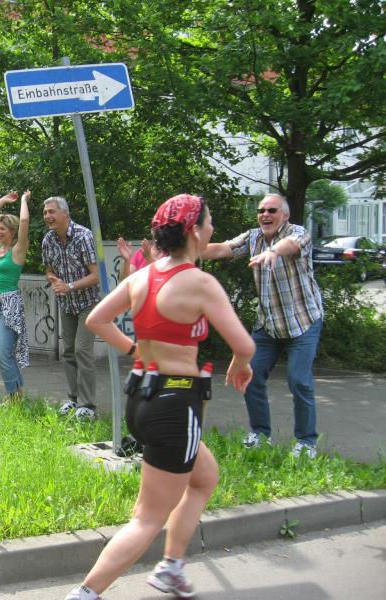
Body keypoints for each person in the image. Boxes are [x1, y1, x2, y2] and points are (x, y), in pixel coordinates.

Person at [65, 194, 255, 600]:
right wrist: (241, 363)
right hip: (176, 405)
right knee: (147, 518)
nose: (212, 229)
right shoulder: (200, 283)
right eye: (208, 223)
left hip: (142, 399)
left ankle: (171, 567)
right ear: (194, 231)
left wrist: (134, 350)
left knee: (204, 477)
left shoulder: (143, 276)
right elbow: (244, 344)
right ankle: (85, 594)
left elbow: (97, 319)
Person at [202, 193, 324, 458]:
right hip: (268, 324)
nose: (265, 215)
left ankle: (306, 442)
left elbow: (291, 245)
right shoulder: (253, 237)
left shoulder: (298, 233)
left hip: (303, 322)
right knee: (250, 375)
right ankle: (260, 434)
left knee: (299, 381)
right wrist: (184, 249)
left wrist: (272, 251)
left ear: (285, 215)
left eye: (271, 210)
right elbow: (222, 248)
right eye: (261, 210)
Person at [41, 196, 100, 419]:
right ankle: (74, 401)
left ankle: (88, 406)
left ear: (65, 213)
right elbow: (48, 270)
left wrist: (70, 286)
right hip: (66, 303)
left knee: (81, 349)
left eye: (51, 212)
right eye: (45, 213)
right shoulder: (48, 240)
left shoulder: (84, 236)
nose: (47, 216)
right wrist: (53, 279)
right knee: (68, 352)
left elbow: (97, 276)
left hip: (88, 303)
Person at [0, 190, 31, 398]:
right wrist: (2, 200)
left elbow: (25, 222)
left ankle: (14, 397)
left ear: (12, 231)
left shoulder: (17, 250)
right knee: (2, 354)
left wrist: (24, 200)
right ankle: (17, 396)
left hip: (10, 304)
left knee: (3, 354)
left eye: (2, 229)